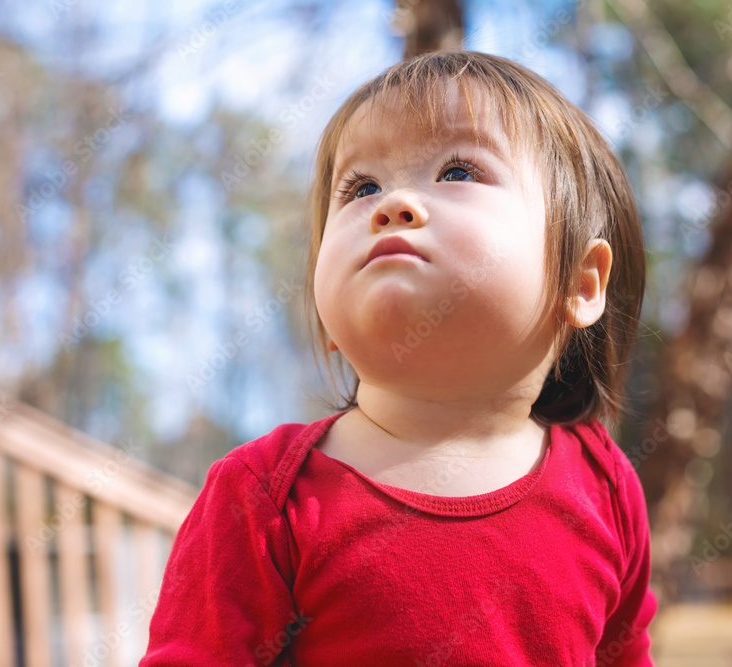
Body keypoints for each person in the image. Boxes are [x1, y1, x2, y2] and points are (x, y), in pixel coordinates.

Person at [140, 49, 657, 666]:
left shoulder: (605, 484)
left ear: (581, 283)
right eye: (361, 187)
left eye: (459, 172)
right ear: (326, 313)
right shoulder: (263, 498)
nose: (393, 205)